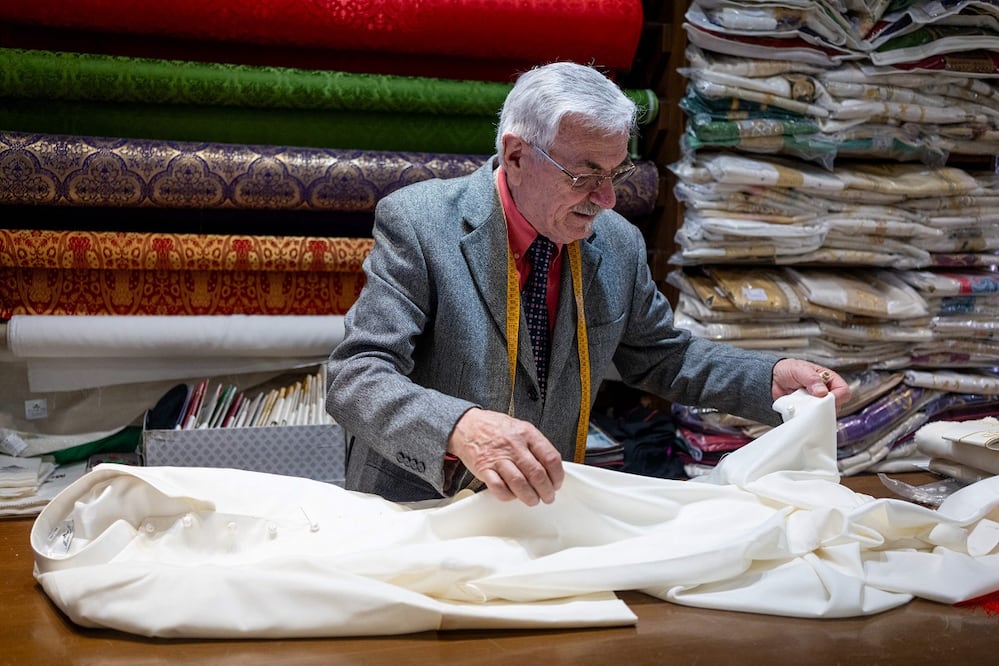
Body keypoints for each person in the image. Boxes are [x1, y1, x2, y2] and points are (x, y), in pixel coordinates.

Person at [326, 61, 851, 506]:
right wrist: (459, 427)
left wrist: (770, 376)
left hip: (543, 512)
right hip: (419, 509)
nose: (607, 199)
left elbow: (662, 357)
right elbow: (356, 376)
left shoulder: (616, 241)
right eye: (585, 175)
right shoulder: (421, 222)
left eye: (616, 174)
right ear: (515, 156)